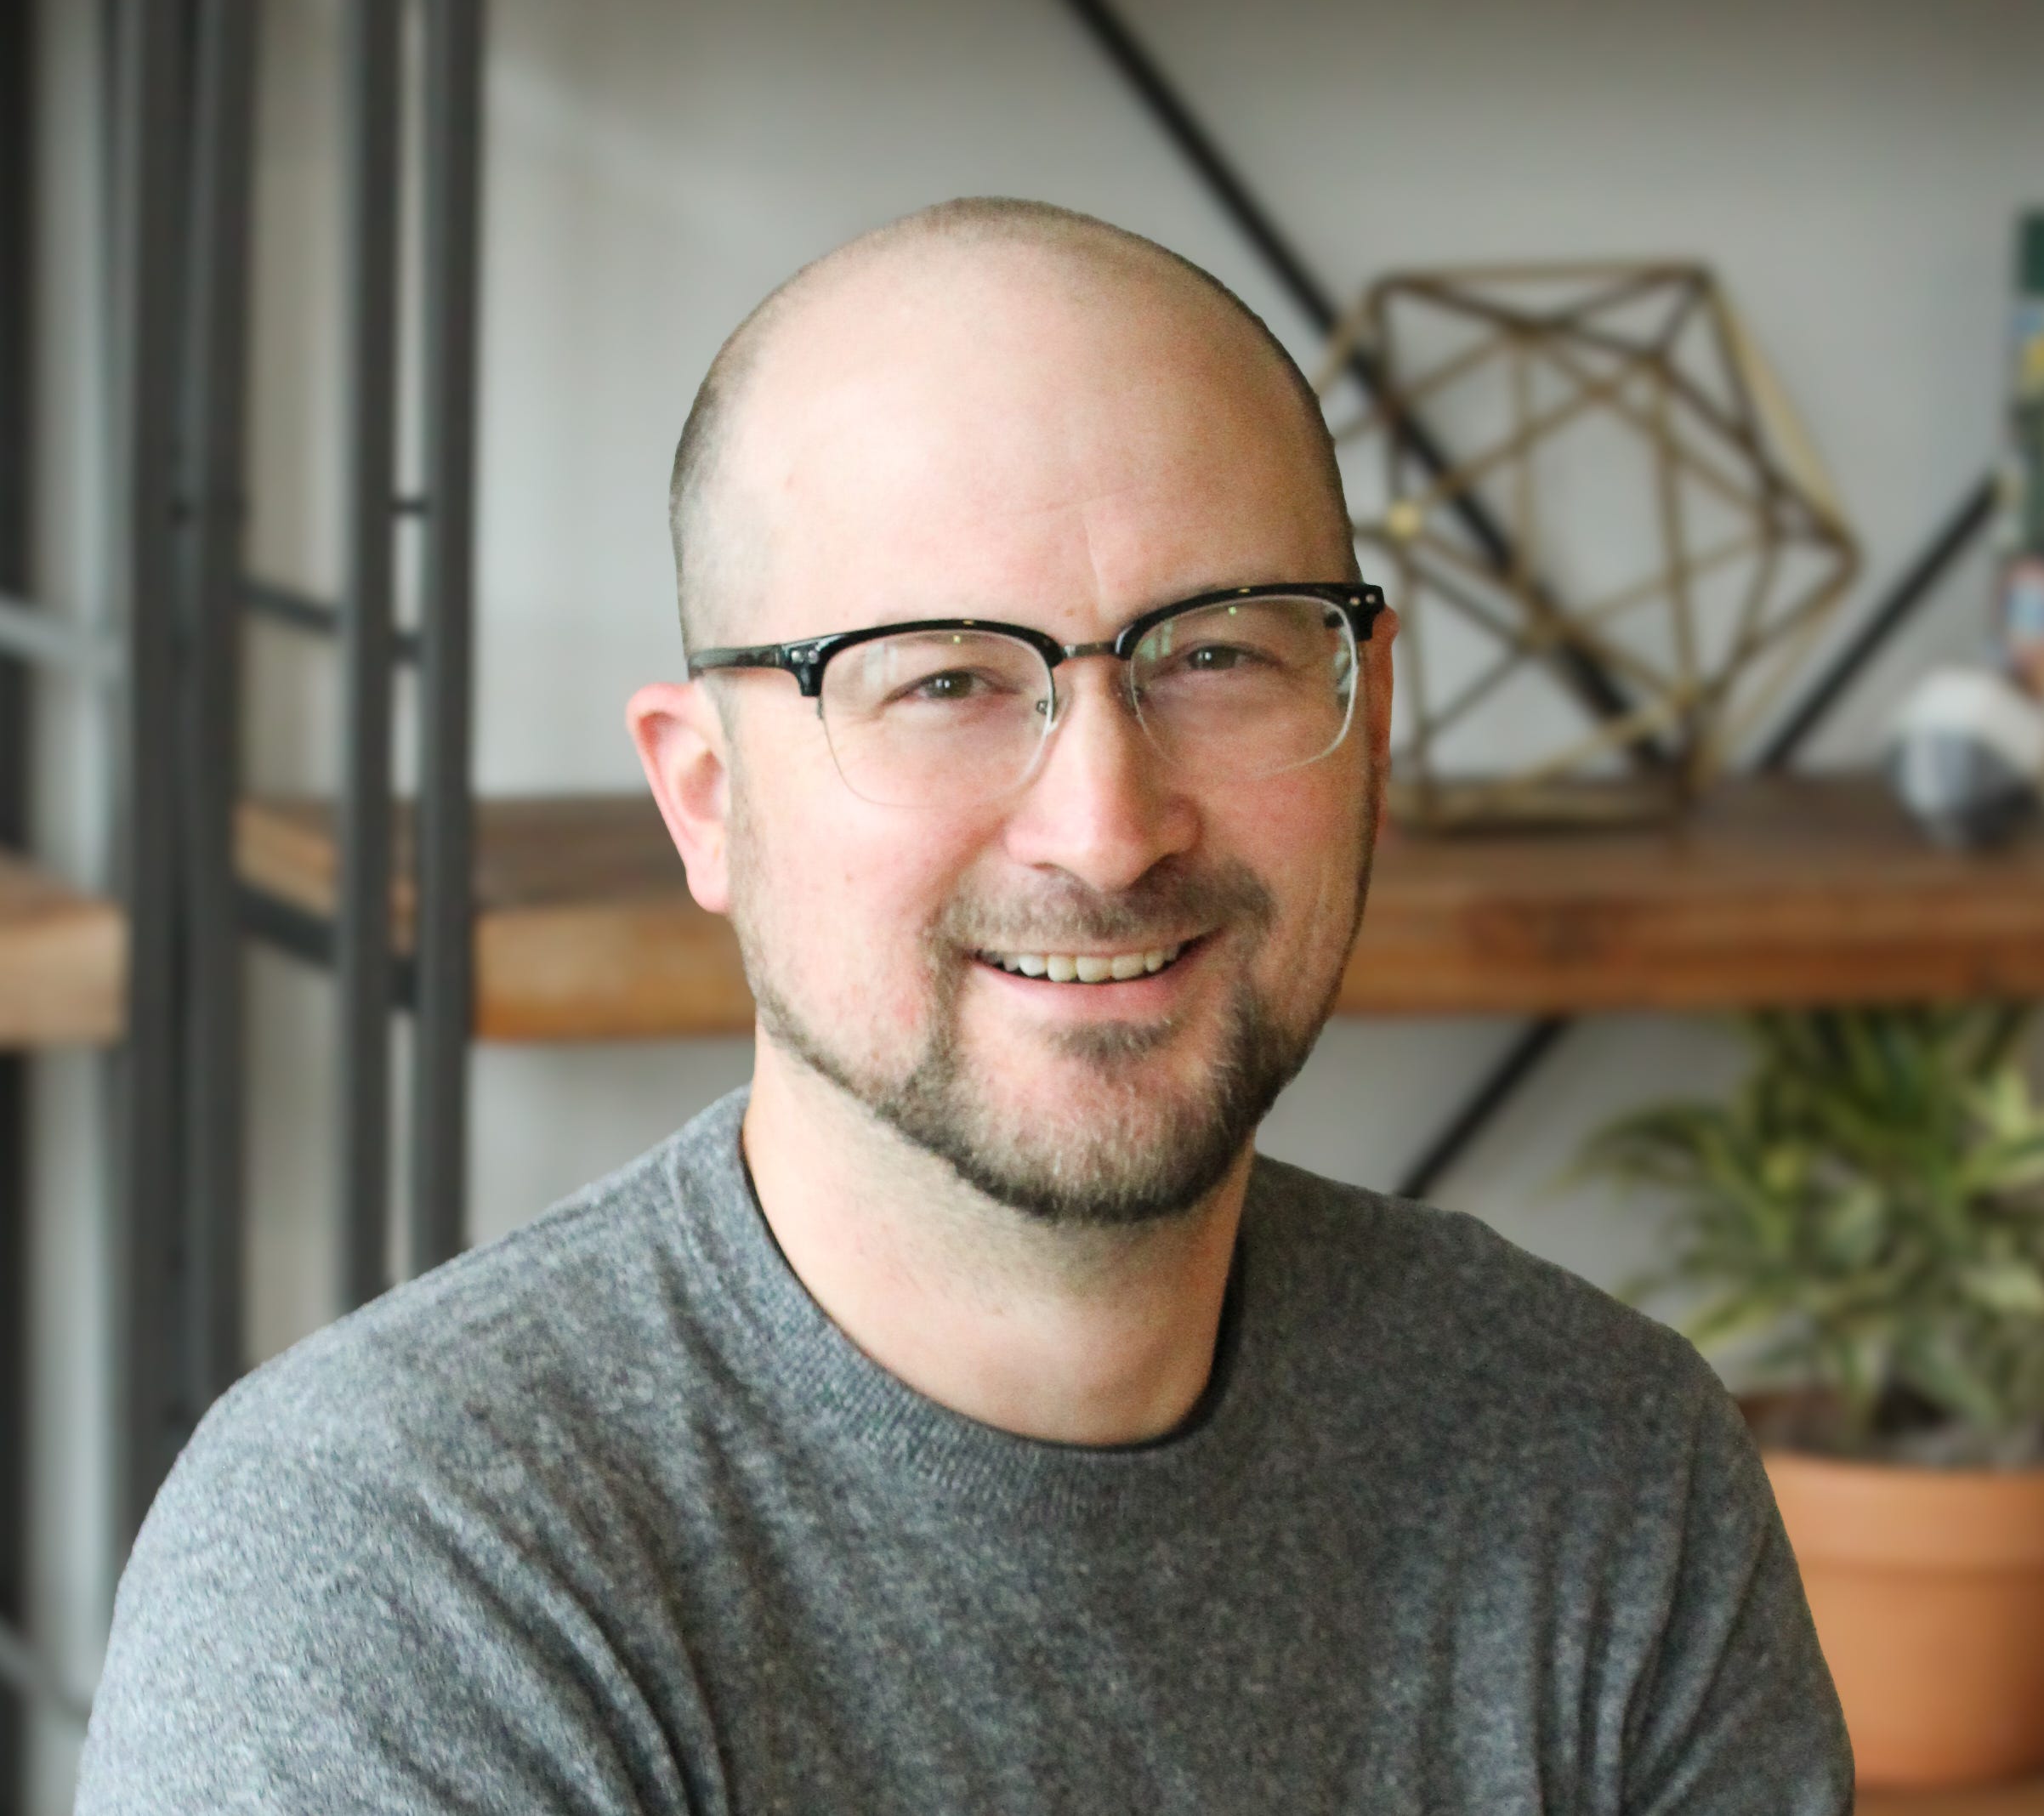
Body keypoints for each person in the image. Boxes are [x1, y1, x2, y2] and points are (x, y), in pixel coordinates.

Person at [74, 200, 1851, 1813]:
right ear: (707, 800)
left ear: (1369, 722)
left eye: (1214, 653)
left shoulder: (1601, 1468)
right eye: (939, 681)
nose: (1106, 826)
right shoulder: (400, 1569)